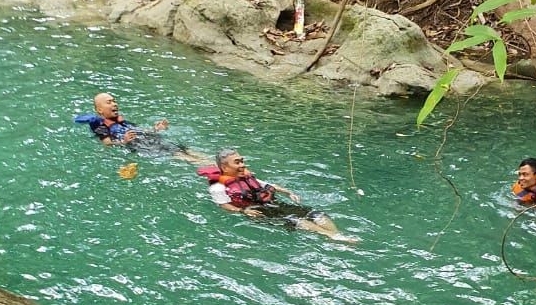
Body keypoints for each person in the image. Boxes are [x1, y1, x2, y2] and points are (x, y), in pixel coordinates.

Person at [200, 149, 356, 242]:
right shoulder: (218, 187)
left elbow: (267, 185)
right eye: (237, 162)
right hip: (257, 211)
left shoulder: (246, 177)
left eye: (242, 161)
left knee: (315, 213)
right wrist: (242, 211)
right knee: (295, 221)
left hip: (274, 204)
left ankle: (337, 234)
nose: (242, 165)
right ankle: (331, 236)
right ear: (225, 167)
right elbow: (223, 205)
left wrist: (288, 192)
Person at [74, 92, 207, 163]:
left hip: (148, 139)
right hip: (139, 145)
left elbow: (140, 131)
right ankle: (212, 167)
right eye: (109, 102)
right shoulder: (100, 125)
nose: (114, 104)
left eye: (114, 100)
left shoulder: (122, 121)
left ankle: (213, 162)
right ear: (100, 110)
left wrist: (155, 129)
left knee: (182, 148)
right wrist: (123, 141)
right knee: (176, 154)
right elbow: (107, 144)